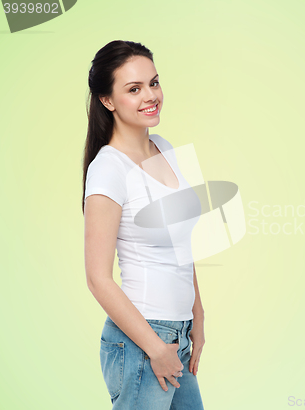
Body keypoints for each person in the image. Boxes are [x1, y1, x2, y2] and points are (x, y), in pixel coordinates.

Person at [82, 40, 205, 409]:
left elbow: (182, 242)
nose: (150, 95)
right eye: (133, 89)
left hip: (177, 333)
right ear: (107, 100)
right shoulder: (108, 168)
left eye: (153, 82)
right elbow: (97, 278)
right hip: (142, 341)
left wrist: (197, 316)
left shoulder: (166, 148)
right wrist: (155, 347)